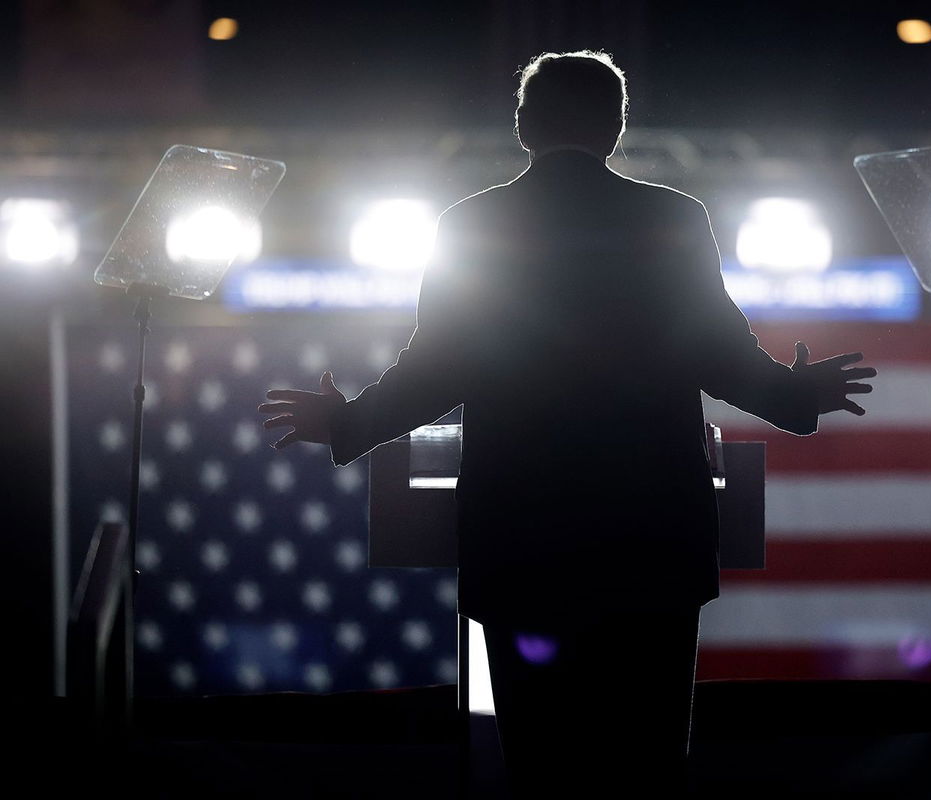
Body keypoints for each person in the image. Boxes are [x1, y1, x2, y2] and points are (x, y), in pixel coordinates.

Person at [259, 50, 875, 797]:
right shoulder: (673, 218)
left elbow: (437, 369)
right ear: (617, 127)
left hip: (524, 545)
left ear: (522, 125)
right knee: (647, 769)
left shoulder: (473, 223)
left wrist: (350, 423)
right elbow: (719, 355)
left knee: (539, 769)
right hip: (651, 543)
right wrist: (796, 397)